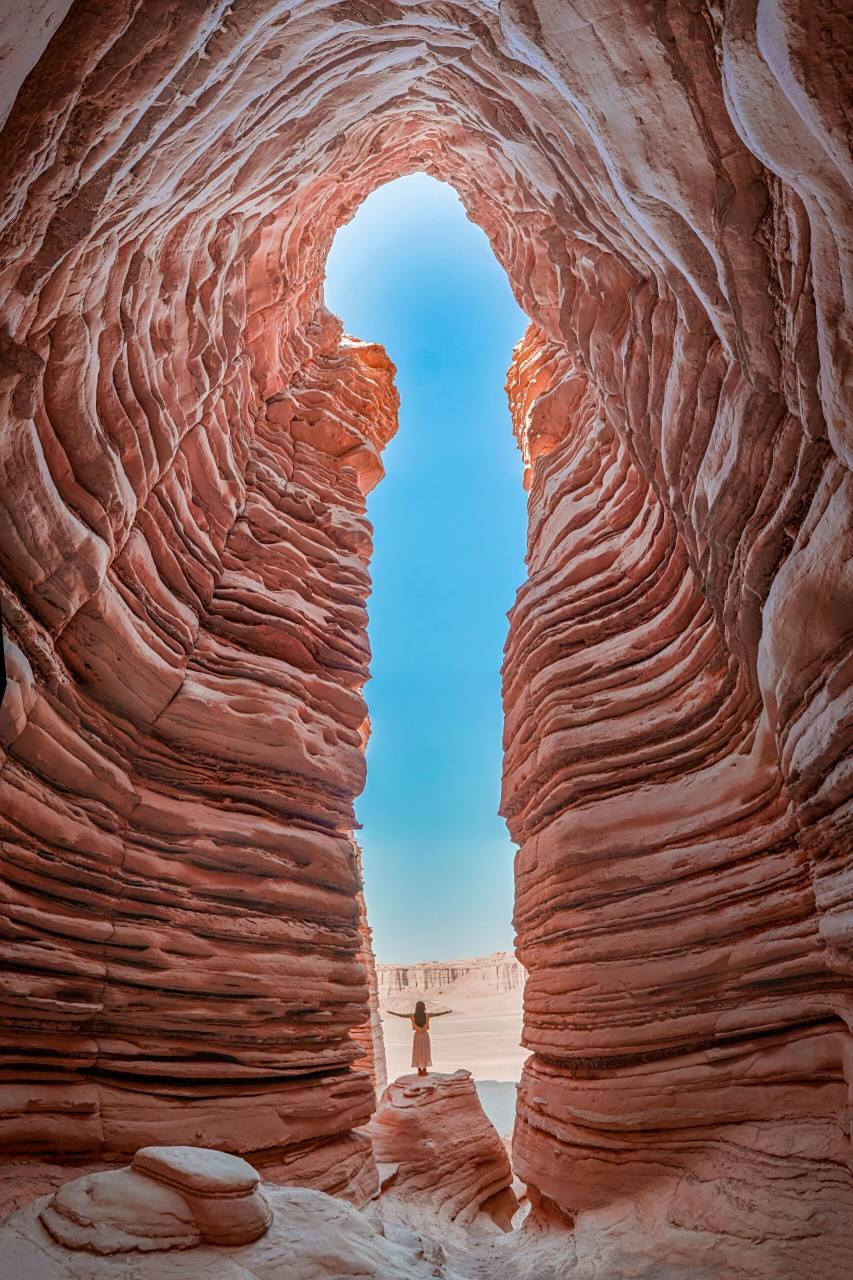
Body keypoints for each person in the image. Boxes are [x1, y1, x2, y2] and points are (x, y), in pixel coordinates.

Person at [389, 999, 450, 1077]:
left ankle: (419, 1071)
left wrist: (391, 1013)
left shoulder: (412, 1015)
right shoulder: (427, 1015)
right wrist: (446, 1012)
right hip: (425, 1035)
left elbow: (401, 1015)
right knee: (425, 1052)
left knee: (417, 1052)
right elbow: (437, 1014)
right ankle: (424, 1070)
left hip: (417, 1036)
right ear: (423, 1007)